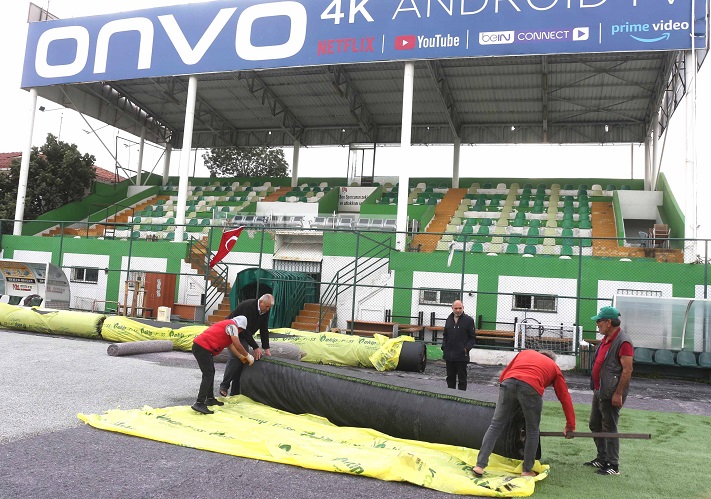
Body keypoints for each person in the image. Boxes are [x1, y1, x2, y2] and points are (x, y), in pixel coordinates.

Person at [472, 350, 576, 478]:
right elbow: (565, 398)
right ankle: (527, 470)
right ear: (552, 360)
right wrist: (570, 425)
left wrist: (509, 401)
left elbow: (503, 375)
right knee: (532, 430)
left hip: (508, 382)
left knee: (495, 425)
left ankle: (479, 465)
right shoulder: (554, 367)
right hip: (531, 387)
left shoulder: (525, 353)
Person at [585, 306, 634, 476]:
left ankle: (613, 464)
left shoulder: (623, 341)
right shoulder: (606, 339)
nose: (597, 324)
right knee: (595, 424)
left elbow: (627, 370)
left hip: (611, 392)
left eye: (599, 321)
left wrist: (618, 393)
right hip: (600, 390)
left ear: (608, 322)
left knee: (610, 427)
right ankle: (602, 457)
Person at [191, 315, 254, 415]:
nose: (240, 332)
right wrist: (248, 355)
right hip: (202, 348)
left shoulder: (227, 326)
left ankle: (210, 399)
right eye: (241, 329)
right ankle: (199, 403)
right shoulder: (232, 326)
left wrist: (241, 357)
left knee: (210, 372)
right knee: (208, 374)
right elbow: (237, 344)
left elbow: (231, 346)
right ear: (240, 326)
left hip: (201, 347)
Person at [219, 294, 274, 396]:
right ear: (261, 302)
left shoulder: (265, 310)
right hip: (232, 332)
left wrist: (266, 348)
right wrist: (255, 347)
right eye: (267, 306)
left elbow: (264, 329)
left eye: (270, 307)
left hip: (243, 335)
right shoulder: (248, 306)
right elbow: (245, 330)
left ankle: (235, 392)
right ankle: (224, 385)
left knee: (243, 361)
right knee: (237, 357)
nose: (268, 309)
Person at [441, 299, 476, 390]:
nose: (458, 310)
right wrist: (444, 347)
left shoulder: (469, 320)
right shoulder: (449, 319)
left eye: (460, 308)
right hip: (449, 356)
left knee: (462, 379)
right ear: (452, 308)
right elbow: (445, 335)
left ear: (463, 308)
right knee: (450, 378)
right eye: (456, 308)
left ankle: (461, 398)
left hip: (461, 356)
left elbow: (472, 338)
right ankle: (450, 397)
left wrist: (466, 349)